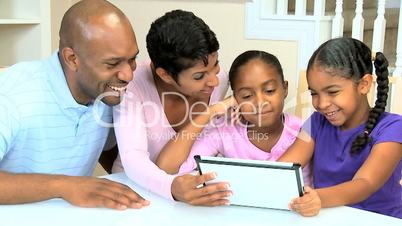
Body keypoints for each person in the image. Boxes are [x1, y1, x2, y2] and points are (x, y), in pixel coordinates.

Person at [0, 0, 149, 210]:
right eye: (112, 63)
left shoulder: (107, 94)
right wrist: (65, 186)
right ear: (72, 59)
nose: (128, 74)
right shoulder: (13, 94)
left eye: (132, 59)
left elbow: (114, 151)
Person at [112, 10, 233, 206]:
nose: (213, 80)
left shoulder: (221, 79)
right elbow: (133, 158)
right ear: (165, 75)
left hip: (191, 196)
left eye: (216, 65)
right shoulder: (133, 87)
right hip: (135, 194)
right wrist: (172, 187)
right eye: (199, 76)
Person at [279, 37, 402, 218]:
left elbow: (365, 183)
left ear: (364, 85)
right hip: (328, 217)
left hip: (381, 219)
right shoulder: (316, 123)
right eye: (314, 93)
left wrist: (318, 198)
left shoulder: (393, 128)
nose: (321, 103)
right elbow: (284, 168)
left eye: (332, 92)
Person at [157, 50, 312, 186]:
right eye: (246, 95)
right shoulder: (225, 132)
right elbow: (167, 167)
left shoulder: (305, 131)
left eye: (269, 90)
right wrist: (211, 111)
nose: (259, 102)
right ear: (235, 98)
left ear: (284, 89)